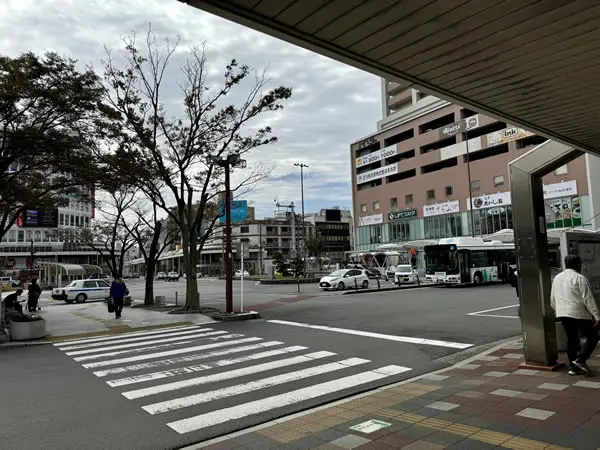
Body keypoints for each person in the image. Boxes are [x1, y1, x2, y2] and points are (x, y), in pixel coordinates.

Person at [550, 255, 600, 376]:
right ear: (578, 265)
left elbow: (552, 298)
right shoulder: (580, 278)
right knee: (593, 336)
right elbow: (588, 299)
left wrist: (558, 310)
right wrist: (597, 316)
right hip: (578, 313)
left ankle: (573, 367)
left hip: (563, 313)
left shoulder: (557, 278)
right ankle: (580, 360)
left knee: (572, 339)